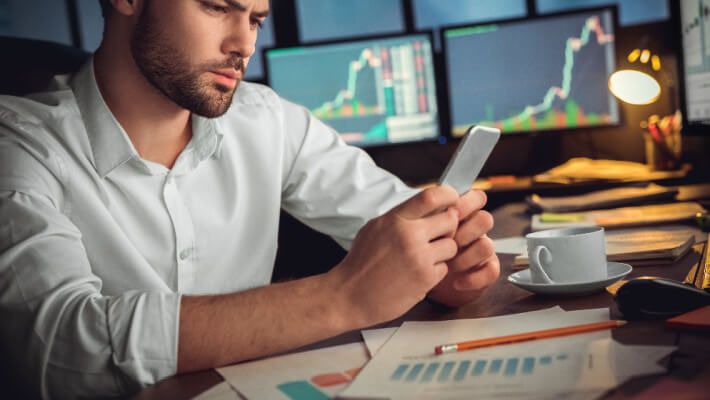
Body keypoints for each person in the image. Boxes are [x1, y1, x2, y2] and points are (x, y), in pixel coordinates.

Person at [0, 0, 499, 398]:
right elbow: (61, 348)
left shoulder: (270, 120)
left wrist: (443, 266)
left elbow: (404, 231)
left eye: (255, 18)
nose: (244, 45)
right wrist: (342, 296)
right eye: (217, 7)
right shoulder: (17, 145)